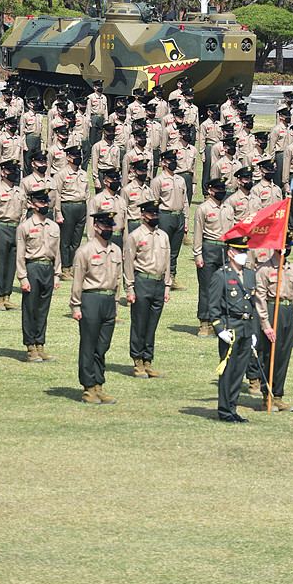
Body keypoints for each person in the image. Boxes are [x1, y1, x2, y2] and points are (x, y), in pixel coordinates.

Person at [70, 211, 121, 405]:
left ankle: (99, 384)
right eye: (104, 226)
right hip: (90, 299)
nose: (108, 230)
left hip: (108, 301)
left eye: (110, 226)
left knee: (102, 346)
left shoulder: (116, 250)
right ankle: (88, 387)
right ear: (95, 227)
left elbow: (117, 280)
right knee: (89, 345)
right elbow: (77, 281)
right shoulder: (85, 251)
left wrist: (116, 304)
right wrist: (76, 306)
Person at [209, 236, 256, 423]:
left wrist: (253, 332)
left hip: (246, 328)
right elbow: (212, 306)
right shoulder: (221, 275)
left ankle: (233, 408)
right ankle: (224, 410)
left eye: (245, 251)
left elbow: (253, 305)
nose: (244, 254)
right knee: (228, 371)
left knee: (240, 371)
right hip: (231, 328)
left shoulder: (250, 274)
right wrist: (219, 329)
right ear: (230, 253)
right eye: (240, 251)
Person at [124, 200, 171, 378]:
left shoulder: (163, 236)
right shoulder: (135, 236)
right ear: (143, 215)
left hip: (158, 284)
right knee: (139, 324)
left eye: (157, 214)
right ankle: (137, 360)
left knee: (152, 325)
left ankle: (148, 360)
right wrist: (129, 289)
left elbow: (167, 262)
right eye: (152, 214)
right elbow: (128, 264)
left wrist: (167, 286)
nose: (155, 217)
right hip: (142, 282)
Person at [255, 233, 293, 411]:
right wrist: (266, 325)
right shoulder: (264, 269)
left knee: (283, 356)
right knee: (269, 355)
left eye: (289, 246)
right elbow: (260, 300)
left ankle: (278, 395)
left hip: (287, 312)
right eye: (285, 246)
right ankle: (267, 395)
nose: (287, 249)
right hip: (271, 310)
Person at [16, 188, 61, 364]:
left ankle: (40, 344)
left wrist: (57, 275)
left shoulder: (54, 226)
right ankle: (30, 347)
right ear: (33, 205)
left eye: (46, 202)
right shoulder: (25, 227)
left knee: (43, 309)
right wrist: (23, 278)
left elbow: (57, 253)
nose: (45, 205)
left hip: (47, 269)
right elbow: (20, 254)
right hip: (32, 268)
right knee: (30, 309)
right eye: (41, 202)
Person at [193, 178, 234, 338]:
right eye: (218, 189)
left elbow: (231, 233)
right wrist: (198, 255)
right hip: (209, 248)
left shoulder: (228, 209)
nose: (221, 191)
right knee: (206, 288)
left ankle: (220, 321)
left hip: (224, 249)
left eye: (223, 188)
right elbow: (198, 233)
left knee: (223, 287)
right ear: (210, 191)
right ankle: (204, 322)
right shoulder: (203, 208)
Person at [0, 158, 23, 310]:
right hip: (1, 228)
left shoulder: (20, 191)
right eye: (10, 171)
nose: (13, 173)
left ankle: (7, 296)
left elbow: (24, 211)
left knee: (12, 264)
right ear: (3, 173)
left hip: (16, 228)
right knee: (0, 264)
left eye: (15, 171)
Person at [151, 149, 189, 290]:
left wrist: (186, 219)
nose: (173, 163)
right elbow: (154, 203)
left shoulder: (181, 180)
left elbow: (185, 201)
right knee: (161, 249)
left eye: (174, 161)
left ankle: (171, 277)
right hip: (164, 217)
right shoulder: (157, 181)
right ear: (163, 163)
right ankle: (159, 277)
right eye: (170, 161)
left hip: (178, 217)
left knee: (174, 251)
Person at [54, 145, 90, 281]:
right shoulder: (61, 174)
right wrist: (58, 213)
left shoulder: (83, 174)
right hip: (67, 207)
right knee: (65, 240)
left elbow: (87, 194)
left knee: (76, 240)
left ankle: (73, 265)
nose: (78, 158)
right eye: (75, 156)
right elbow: (57, 195)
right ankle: (64, 266)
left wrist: (87, 211)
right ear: (68, 157)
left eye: (79, 156)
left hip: (81, 207)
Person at [86, 80, 108, 148]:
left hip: (101, 118)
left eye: (101, 86)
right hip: (94, 118)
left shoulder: (104, 97)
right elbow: (88, 110)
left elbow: (105, 110)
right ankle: (91, 152)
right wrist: (89, 121)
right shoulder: (91, 97)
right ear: (95, 87)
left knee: (99, 137)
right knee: (92, 137)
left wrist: (106, 120)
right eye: (98, 86)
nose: (100, 87)